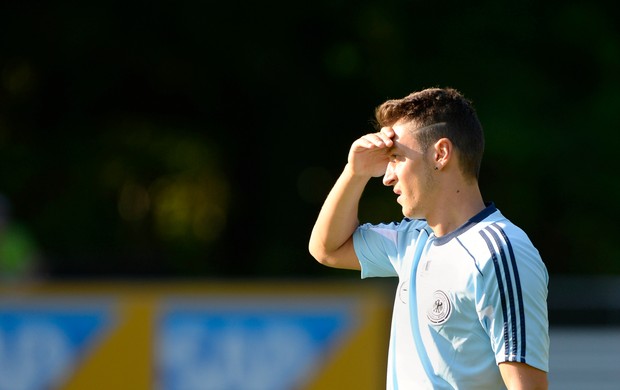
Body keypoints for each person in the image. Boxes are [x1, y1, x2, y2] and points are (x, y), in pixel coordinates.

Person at [308, 87, 549, 389]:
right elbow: (326, 249)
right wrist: (354, 172)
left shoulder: (500, 251)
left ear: (441, 153)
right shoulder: (412, 240)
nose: (387, 176)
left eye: (396, 157)